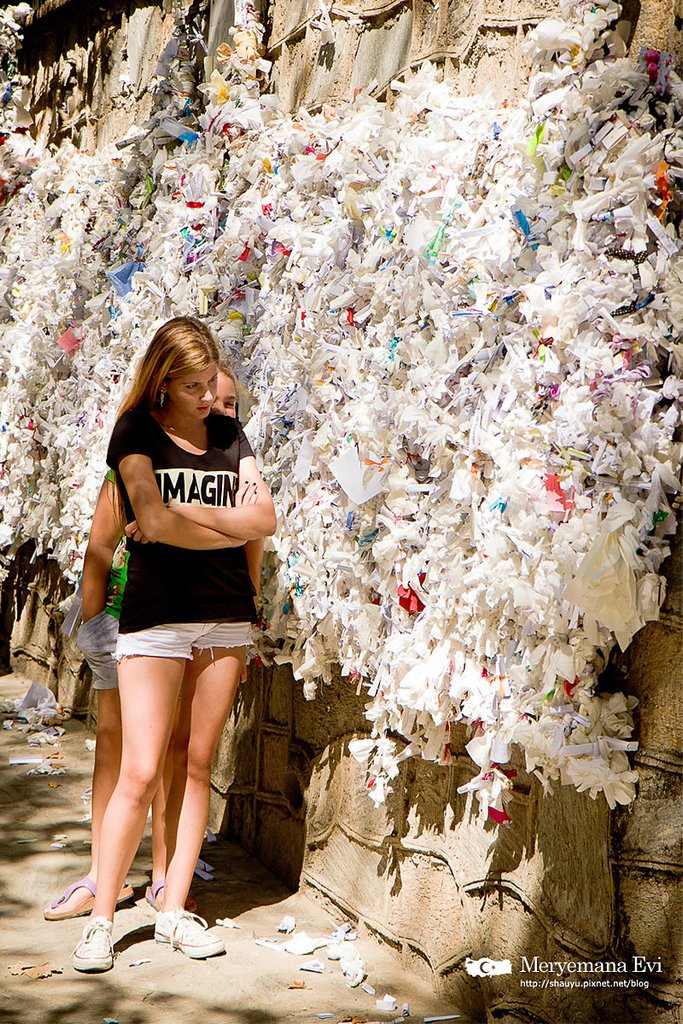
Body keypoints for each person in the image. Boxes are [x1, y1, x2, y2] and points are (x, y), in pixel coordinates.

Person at [71, 317, 275, 972]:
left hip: (226, 618)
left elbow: (264, 520)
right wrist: (215, 521)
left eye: (208, 382)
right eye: (190, 385)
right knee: (139, 769)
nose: (204, 396)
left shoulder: (226, 430)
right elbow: (146, 519)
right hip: (156, 619)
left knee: (195, 764)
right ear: (161, 382)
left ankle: (174, 911)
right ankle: (102, 918)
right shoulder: (134, 430)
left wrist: (183, 519)